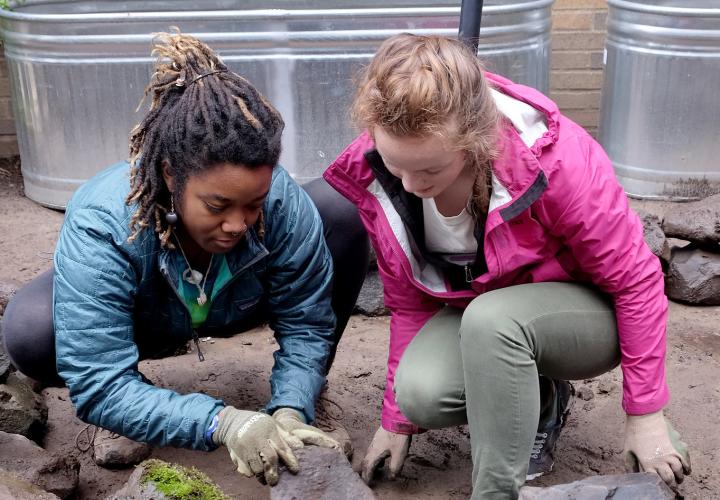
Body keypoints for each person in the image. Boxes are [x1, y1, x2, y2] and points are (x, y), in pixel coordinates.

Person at [323, 33, 691, 498]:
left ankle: (495, 492)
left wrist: (645, 416)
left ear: (474, 140)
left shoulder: (556, 161)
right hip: (486, 317)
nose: (411, 186)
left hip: (584, 317)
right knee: (421, 395)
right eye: (399, 167)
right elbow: (410, 303)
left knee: (493, 322)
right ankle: (540, 403)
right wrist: (395, 422)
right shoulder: (380, 174)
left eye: (430, 170)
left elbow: (636, 282)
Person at [1, 31, 368, 486]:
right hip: (148, 320)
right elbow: (97, 380)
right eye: (217, 206)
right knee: (32, 332)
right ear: (170, 175)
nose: (238, 224)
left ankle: (307, 398)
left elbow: (308, 323)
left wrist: (292, 407)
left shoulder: (281, 205)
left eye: (253, 203)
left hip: (237, 305)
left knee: (340, 213)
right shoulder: (104, 221)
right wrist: (221, 422)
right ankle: (132, 409)